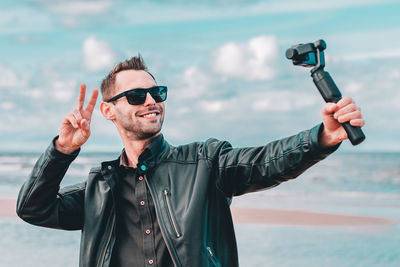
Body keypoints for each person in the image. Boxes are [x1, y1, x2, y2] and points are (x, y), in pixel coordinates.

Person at [17, 56, 365, 267]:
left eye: (158, 93)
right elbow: (34, 208)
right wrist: (62, 150)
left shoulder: (204, 163)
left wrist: (322, 137)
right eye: (137, 95)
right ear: (108, 110)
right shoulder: (99, 189)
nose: (151, 101)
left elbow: (264, 163)